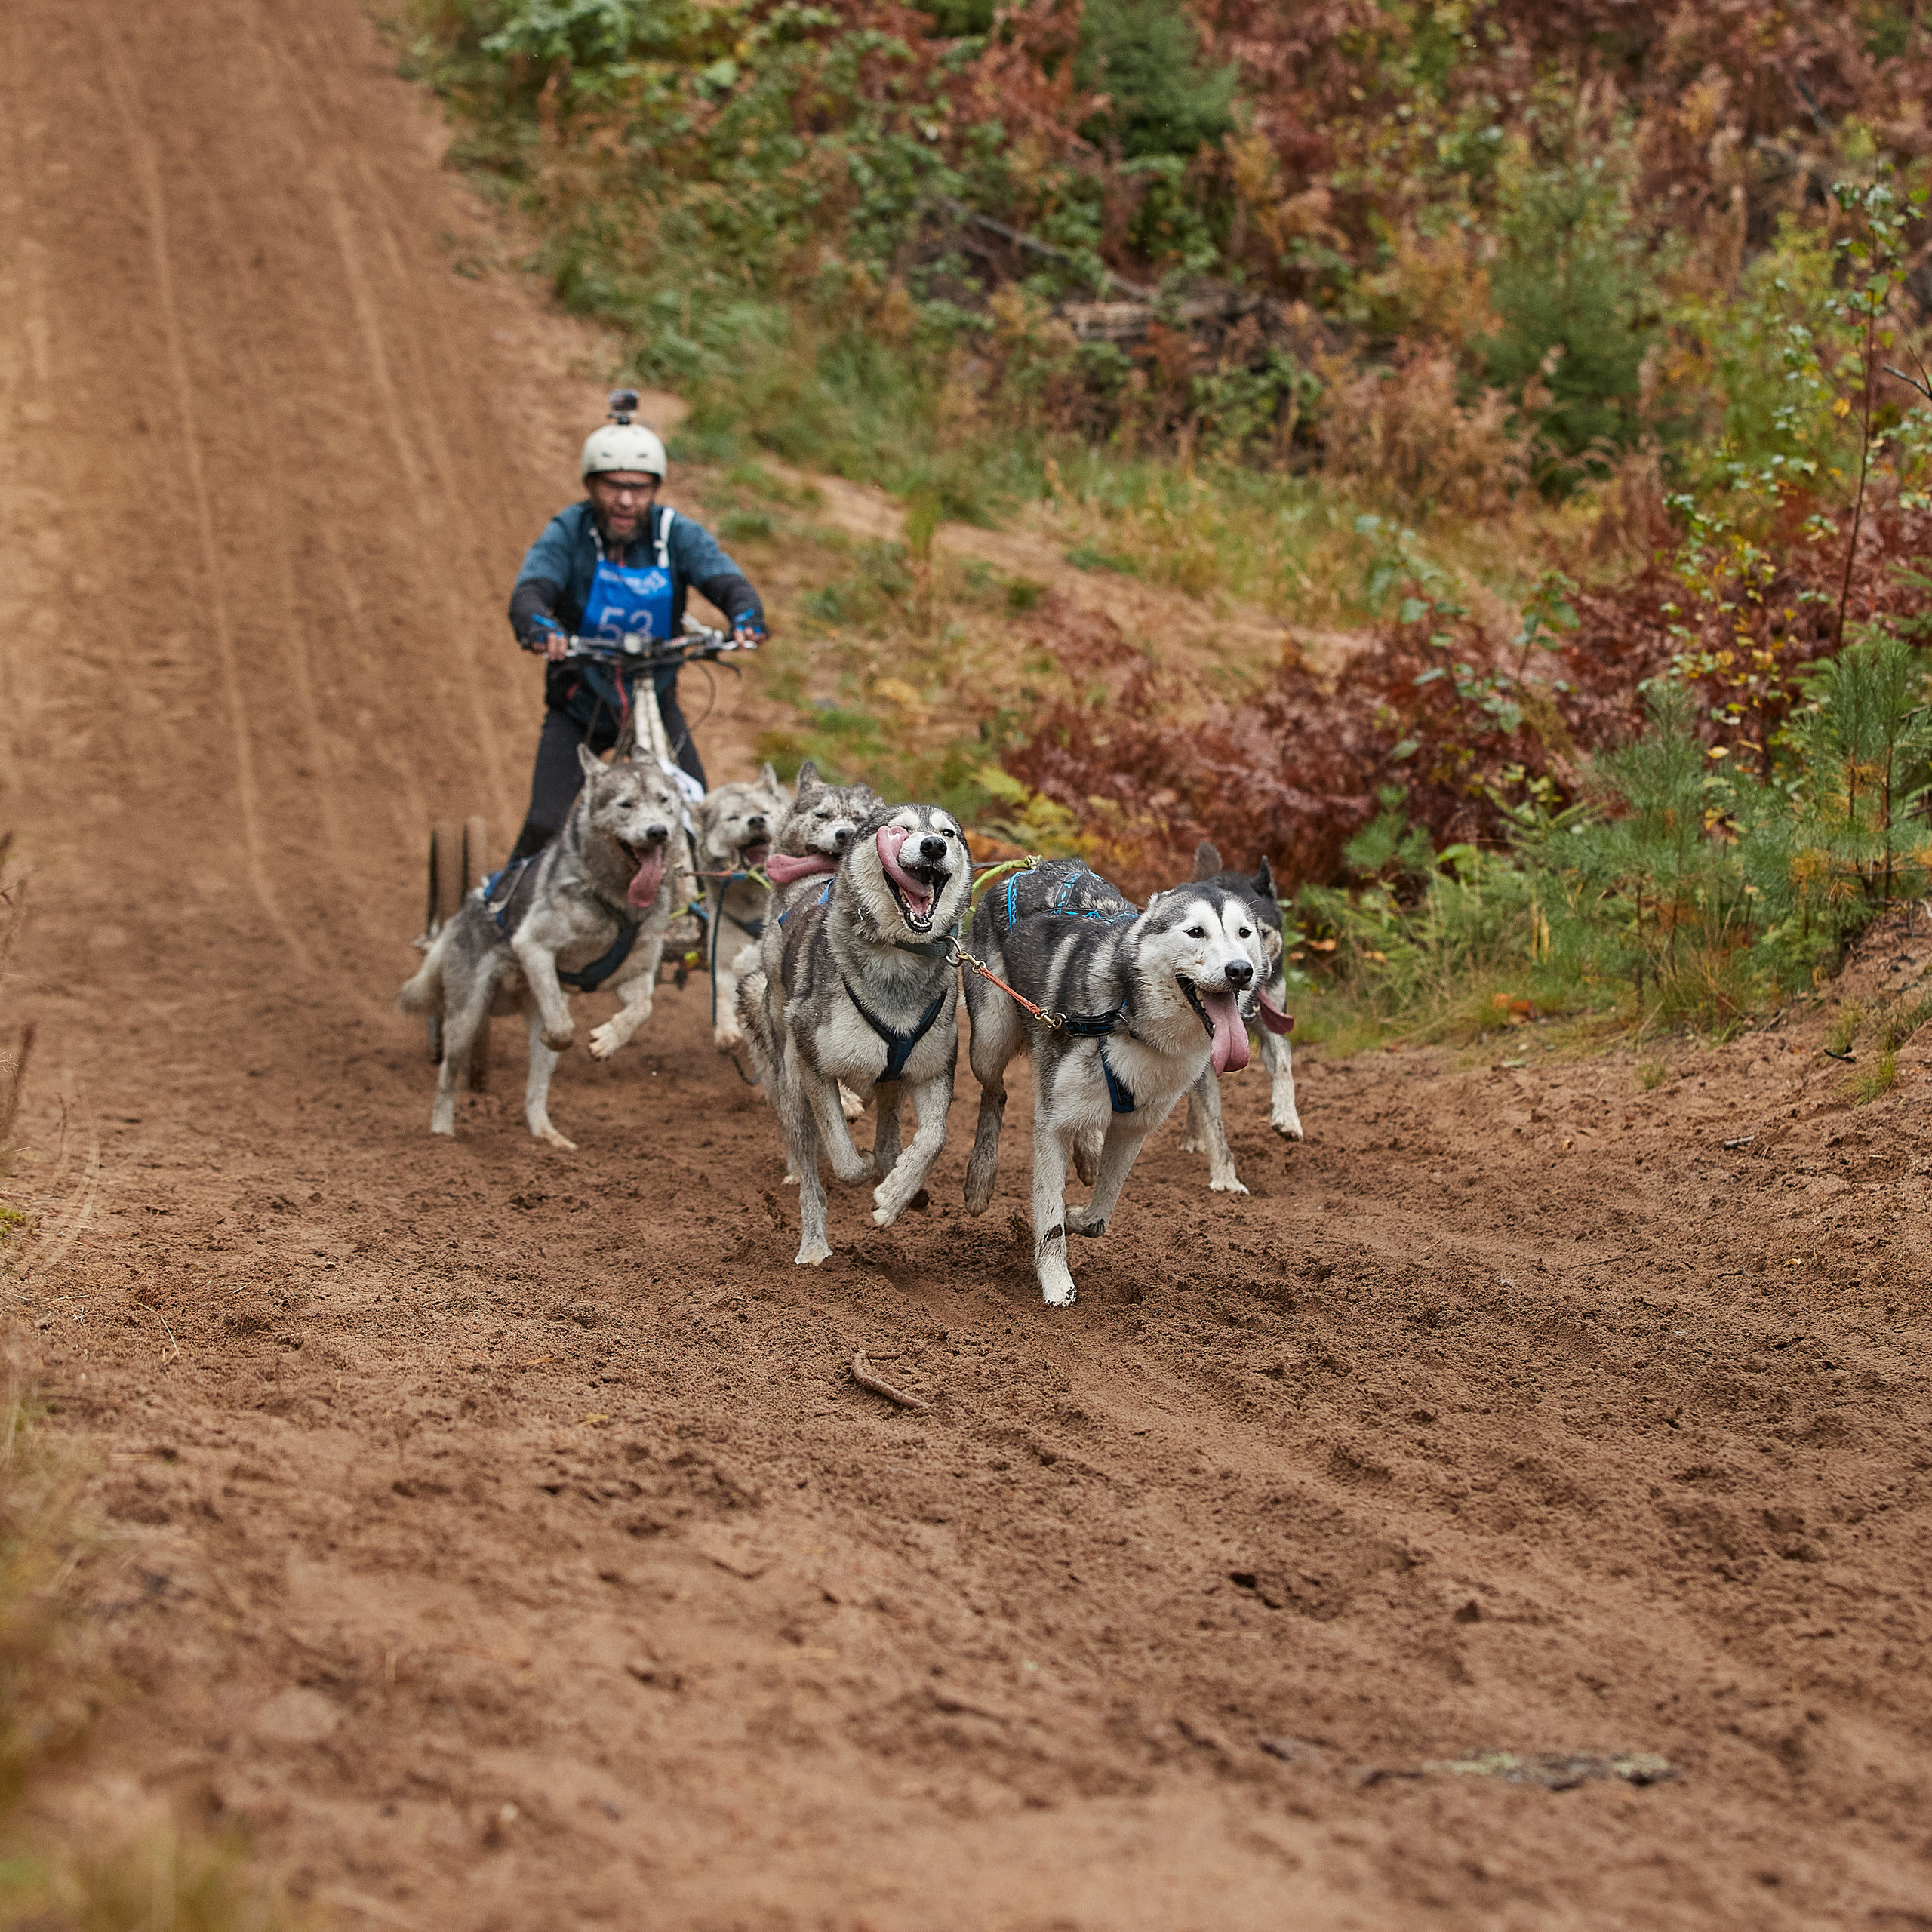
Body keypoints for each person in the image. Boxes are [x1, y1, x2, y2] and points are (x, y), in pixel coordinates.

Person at [504, 395, 767, 860]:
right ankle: (505, 898)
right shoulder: (569, 532)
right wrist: (540, 625)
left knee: (694, 817)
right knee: (546, 822)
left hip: (655, 702)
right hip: (579, 704)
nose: (626, 500)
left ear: (655, 488)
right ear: (591, 484)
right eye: (613, 486)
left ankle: (696, 902)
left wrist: (745, 614)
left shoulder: (673, 534)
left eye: (640, 488)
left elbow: (724, 578)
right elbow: (533, 588)